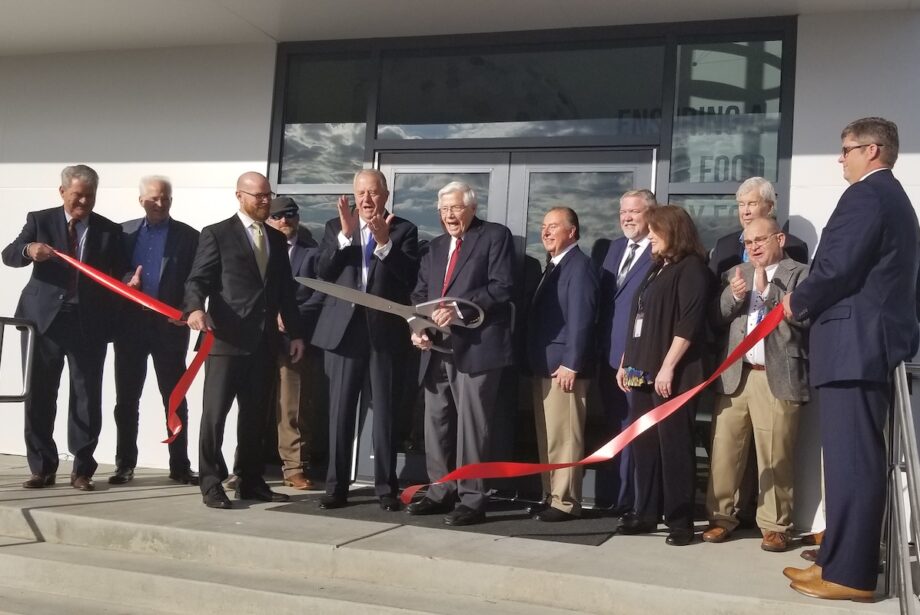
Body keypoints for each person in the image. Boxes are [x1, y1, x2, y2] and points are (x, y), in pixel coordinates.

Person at [782, 117, 920, 601]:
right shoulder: (891, 198)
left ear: (873, 150)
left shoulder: (868, 195)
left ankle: (852, 574)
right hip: (861, 345)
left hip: (855, 346)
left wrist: (797, 302)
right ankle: (837, 561)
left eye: (846, 149)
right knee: (847, 463)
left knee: (854, 462)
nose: (841, 158)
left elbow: (838, 266)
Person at [183, 172, 305, 509]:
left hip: (263, 343)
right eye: (259, 196)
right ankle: (210, 482)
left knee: (254, 417)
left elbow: (285, 293)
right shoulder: (217, 234)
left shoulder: (277, 240)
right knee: (215, 416)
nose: (266, 201)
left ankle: (250, 481)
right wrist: (194, 308)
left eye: (268, 195)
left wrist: (295, 334)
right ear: (240, 196)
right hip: (226, 341)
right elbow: (198, 279)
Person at [2, 164, 127, 491]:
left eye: (89, 196)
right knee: (40, 394)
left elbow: (121, 273)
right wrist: (30, 250)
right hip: (43, 321)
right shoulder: (39, 220)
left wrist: (131, 281)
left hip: (88, 323)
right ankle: (42, 468)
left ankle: (82, 470)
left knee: (87, 397)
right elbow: (9, 254)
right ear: (62, 193)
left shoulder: (109, 231)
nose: (83, 202)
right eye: (76, 196)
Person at [407, 181, 515, 526]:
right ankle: (440, 491)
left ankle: (472, 498)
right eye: (444, 210)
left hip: (476, 348)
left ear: (471, 208)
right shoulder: (435, 247)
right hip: (435, 349)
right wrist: (417, 327)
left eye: (455, 208)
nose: (449, 215)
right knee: (435, 423)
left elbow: (502, 287)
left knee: (472, 427)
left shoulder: (494, 236)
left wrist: (459, 310)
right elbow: (420, 294)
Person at [312, 169, 419, 512]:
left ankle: (386, 489)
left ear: (386, 195)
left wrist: (385, 243)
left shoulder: (404, 229)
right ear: (354, 196)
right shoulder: (334, 227)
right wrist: (345, 237)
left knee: (385, 414)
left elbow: (410, 278)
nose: (367, 199)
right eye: (361, 193)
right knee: (340, 413)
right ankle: (336, 487)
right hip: (343, 334)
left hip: (384, 335)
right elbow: (323, 272)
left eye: (374, 193)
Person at [703, 217, 809, 552]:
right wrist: (733, 298)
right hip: (736, 375)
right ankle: (722, 518)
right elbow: (716, 319)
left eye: (760, 240)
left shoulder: (801, 273)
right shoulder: (736, 274)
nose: (754, 248)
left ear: (780, 238)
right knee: (725, 451)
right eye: (748, 243)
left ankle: (776, 526)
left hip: (775, 376)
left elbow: (805, 318)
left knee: (775, 453)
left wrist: (767, 291)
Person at [616, 205, 712, 546]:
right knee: (644, 445)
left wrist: (669, 366)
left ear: (673, 232)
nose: (650, 236)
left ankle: (680, 521)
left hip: (674, 373)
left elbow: (688, 323)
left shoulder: (692, 270)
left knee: (674, 446)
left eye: (655, 230)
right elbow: (640, 316)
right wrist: (627, 360)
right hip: (643, 371)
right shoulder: (657, 267)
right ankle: (646, 511)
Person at [109, 176, 200, 486]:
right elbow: (111, 270)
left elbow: (194, 281)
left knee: (174, 400)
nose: (159, 204)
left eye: (164, 198)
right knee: (127, 399)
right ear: (141, 201)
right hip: (130, 326)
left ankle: (180, 465)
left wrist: (187, 312)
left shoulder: (189, 237)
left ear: (171, 201)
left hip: (169, 327)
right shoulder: (122, 233)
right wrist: (126, 281)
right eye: (153, 199)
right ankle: (124, 465)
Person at [526, 207, 597, 522]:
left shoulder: (578, 266)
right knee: (549, 437)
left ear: (572, 231)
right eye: (543, 226)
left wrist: (572, 363)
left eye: (553, 226)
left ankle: (566, 501)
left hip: (564, 369)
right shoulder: (553, 266)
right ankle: (551, 495)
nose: (546, 231)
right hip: (544, 365)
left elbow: (581, 319)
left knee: (565, 437)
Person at [596, 189, 656, 513]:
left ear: (650, 214)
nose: (627, 218)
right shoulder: (614, 249)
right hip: (607, 356)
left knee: (634, 427)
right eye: (623, 212)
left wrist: (630, 354)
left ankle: (634, 502)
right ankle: (615, 497)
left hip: (635, 359)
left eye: (634, 212)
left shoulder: (659, 251)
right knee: (614, 424)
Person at [264, 196, 321, 491]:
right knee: (254, 405)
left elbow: (321, 293)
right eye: (277, 216)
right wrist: (271, 316)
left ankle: (294, 468)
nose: (284, 220)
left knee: (293, 406)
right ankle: (245, 466)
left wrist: (293, 320)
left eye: (290, 214)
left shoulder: (313, 252)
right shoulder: (260, 248)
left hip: (294, 338)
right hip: (260, 336)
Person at [709, 177, 809, 276]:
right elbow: (713, 287)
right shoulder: (723, 246)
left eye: (752, 204)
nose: (745, 211)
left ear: (769, 207)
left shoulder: (794, 246)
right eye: (741, 204)